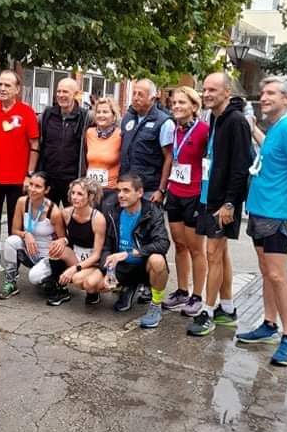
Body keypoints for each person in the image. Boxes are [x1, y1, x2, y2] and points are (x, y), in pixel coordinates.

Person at [237, 76, 287, 366]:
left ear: (286, 99)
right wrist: (254, 129)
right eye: (263, 92)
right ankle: (268, 324)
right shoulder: (276, 127)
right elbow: (270, 149)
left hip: (278, 213)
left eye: (271, 93)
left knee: (278, 275)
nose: (264, 97)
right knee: (267, 271)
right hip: (259, 210)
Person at [186, 71, 251, 337]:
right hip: (207, 196)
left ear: (227, 92)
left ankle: (208, 311)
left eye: (212, 90)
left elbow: (241, 166)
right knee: (220, 254)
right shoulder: (214, 117)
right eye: (205, 89)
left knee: (213, 253)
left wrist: (230, 203)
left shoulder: (236, 121)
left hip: (223, 202)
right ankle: (227, 307)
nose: (207, 94)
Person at [80, 172, 170, 328]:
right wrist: (108, 271)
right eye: (119, 190)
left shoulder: (152, 211)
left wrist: (130, 253)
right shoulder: (113, 210)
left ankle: (156, 305)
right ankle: (128, 287)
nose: (120, 195)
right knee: (90, 285)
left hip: (143, 265)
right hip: (122, 266)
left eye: (126, 190)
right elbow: (107, 246)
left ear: (140, 193)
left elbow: (163, 243)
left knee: (158, 260)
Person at [0, 70, 39, 273]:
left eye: (7, 85)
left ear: (17, 89)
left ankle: (14, 261)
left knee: (16, 221)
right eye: (0, 84)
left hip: (17, 179)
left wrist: (29, 174)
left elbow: (34, 144)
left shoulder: (27, 112)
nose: (2, 89)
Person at [162, 86, 209, 316]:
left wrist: (207, 196)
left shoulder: (204, 130)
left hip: (194, 195)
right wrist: (164, 188)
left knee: (196, 248)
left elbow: (209, 163)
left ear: (194, 105)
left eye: (182, 102)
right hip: (175, 193)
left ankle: (197, 295)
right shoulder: (175, 129)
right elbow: (173, 159)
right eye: (174, 103)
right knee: (179, 244)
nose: (176, 106)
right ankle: (181, 291)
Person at [0, 172, 66, 298]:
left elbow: (62, 240)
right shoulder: (22, 202)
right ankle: (10, 282)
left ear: (47, 190)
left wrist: (57, 262)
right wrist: (26, 234)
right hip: (30, 253)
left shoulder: (53, 211)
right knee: (11, 241)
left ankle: (53, 278)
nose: (32, 189)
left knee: (34, 277)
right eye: (31, 184)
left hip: (47, 256)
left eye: (38, 186)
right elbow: (14, 230)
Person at [45, 177, 107, 306]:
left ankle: (93, 292)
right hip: (76, 254)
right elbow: (67, 236)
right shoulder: (66, 213)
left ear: (90, 196)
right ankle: (61, 289)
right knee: (55, 248)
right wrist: (63, 240)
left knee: (77, 278)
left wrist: (74, 268)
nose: (74, 197)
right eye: (73, 193)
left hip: (93, 260)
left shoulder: (98, 219)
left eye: (80, 194)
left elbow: (97, 255)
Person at [37, 78, 91, 206]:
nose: (61, 95)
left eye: (65, 92)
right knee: (48, 216)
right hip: (49, 179)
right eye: (58, 91)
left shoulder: (85, 117)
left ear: (75, 94)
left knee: (72, 216)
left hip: (72, 180)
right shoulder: (47, 115)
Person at [119, 78, 174, 203]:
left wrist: (161, 190)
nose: (135, 98)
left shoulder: (164, 122)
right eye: (134, 93)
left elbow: (169, 158)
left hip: (148, 190)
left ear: (152, 98)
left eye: (140, 95)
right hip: (126, 186)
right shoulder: (127, 118)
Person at [84, 96, 122, 213]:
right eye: (98, 112)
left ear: (114, 116)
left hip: (110, 190)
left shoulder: (120, 135)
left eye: (105, 112)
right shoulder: (89, 133)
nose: (101, 115)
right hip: (90, 189)